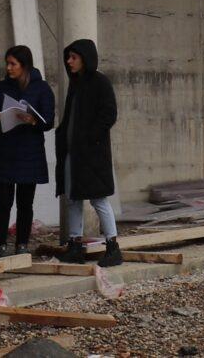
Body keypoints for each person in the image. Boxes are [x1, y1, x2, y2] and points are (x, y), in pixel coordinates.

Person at [0, 44, 54, 257]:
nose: (9, 68)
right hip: (5, 150)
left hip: (29, 152)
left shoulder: (41, 88)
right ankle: (0, 244)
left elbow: (48, 121)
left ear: (25, 65)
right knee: (3, 201)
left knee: (25, 202)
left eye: (13, 64)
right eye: (7, 63)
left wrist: (32, 119)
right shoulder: (2, 87)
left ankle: (22, 243)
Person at [56, 38, 122, 266]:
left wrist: (89, 138)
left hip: (91, 154)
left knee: (98, 199)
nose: (69, 61)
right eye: (69, 57)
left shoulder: (99, 82)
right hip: (73, 153)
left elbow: (109, 114)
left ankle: (113, 246)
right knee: (72, 198)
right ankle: (75, 245)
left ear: (85, 58)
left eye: (74, 57)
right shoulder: (75, 84)